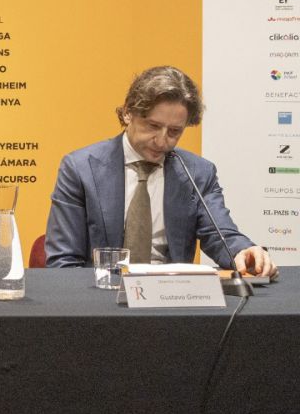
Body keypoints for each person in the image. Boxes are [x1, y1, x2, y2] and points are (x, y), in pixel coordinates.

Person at [45, 65, 275, 276]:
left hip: (172, 295)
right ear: (128, 113)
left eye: (174, 131)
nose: (162, 141)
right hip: (102, 294)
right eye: (153, 126)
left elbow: (220, 234)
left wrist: (243, 252)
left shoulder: (197, 172)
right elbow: (64, 261)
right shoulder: (80, 169)